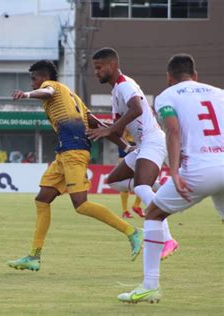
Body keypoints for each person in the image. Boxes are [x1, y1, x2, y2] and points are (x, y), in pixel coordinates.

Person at [6, 60, 143, 272]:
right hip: (64, 154)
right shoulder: (72, 96)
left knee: (81, 205)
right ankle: (33, 256)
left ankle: (132, 232)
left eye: (33, 79)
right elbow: (96, 122)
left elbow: (48, 91)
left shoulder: (50, 87)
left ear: (43, 77)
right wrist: (125, 144)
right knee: (42, 199)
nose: (33, 84)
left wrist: (26, 95)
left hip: (74, 152)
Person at [117, 54, 224, 303]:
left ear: (169, 78)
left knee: (154, 213)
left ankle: (150, 286)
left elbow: (173, 130)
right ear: (195, 75)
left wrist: (174, 171)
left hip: (199, 169)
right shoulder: (220, 93)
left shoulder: (167, 96)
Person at [87, 47, 178, 260]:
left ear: (112, 65)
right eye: (95, 69)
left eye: (99, 68)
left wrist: (108, 129)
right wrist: (99, 125)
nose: (96, 72)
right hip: (141, 146)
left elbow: (136, 108)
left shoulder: (124, 85)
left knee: (142, 187)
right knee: (113, 181)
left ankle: (168, 238)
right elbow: (117, 130)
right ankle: (162, 189)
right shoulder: (115, 93)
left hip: (153, 140)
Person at [118, 129, 144, 218]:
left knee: (144, 181)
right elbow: (120, 135)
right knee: (125, 183)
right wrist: (128, 147)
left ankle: (136, 206)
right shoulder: (127, 119)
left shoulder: (146, 120)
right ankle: (125, 211)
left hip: (140, 148)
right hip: (127, 150)